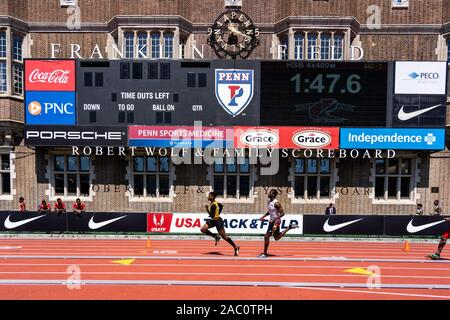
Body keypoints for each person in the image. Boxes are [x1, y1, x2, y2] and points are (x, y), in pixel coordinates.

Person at [258, 189, 298, 258]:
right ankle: (289, 227)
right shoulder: (269, 202)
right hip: (271, 221)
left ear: (273, 195)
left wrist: (274, 219)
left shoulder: (276, 203)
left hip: (276, 221)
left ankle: (265, 253)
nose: (268, 194)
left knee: (266, 236)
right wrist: (264, 216)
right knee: (277, 237)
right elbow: (270, 211)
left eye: (269, 193)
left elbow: (282, 213)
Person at [200, 191, 240, 256]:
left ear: (213, 197)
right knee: (203, 229)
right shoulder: (216, 203)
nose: (208, 197)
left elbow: (212, 215)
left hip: (218, 221)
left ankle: (236, 247)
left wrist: (207, 209)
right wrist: (217, 213)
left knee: (224, 237)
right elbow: (221, 206)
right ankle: (215, 236)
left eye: (209, 195)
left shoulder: (213, 205)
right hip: (213, 220)